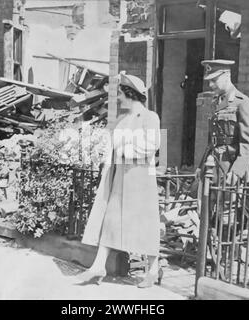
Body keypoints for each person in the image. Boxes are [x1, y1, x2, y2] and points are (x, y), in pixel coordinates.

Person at [79, 72, 161, 288]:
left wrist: (124, 150)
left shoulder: (150, 117)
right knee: (111, 220)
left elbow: (153, 146)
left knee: (144, 224)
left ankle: (152, 270)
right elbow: (113, 147)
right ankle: (98, 265)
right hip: (120, 178)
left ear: (129, 93)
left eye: (119, 93)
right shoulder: (123, 120)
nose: (117, 98)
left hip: (141, 179)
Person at [196, 59, 249, 185]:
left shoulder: (242, 102)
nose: (211, 85)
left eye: (214, 80)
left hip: (230, 166)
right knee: (207, 201)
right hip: (213, 164)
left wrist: (237, 170)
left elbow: (248, 142)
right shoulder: (215, 102)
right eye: (209, 81)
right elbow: (212, 140)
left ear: (227, 76)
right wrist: (200, 166)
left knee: (227, 203)